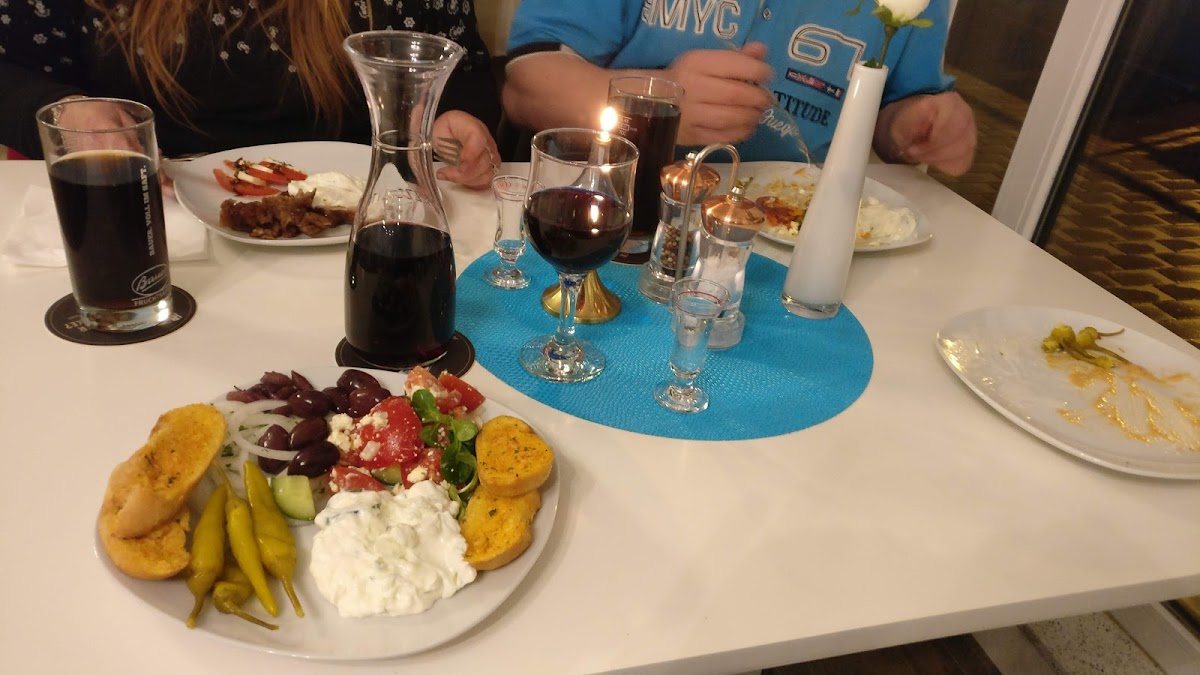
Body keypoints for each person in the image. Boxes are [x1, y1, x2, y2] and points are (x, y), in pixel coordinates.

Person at [0, 1, 500, 188]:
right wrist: (67, 112)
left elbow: (464, 66)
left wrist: (452, 115)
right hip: (148, 207)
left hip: (361, 214)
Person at [502, 0, 976, 176]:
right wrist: (654, 104)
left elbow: (895, 111)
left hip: (792, 237)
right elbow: (526, 86)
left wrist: (917, 126)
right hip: (613, 213)